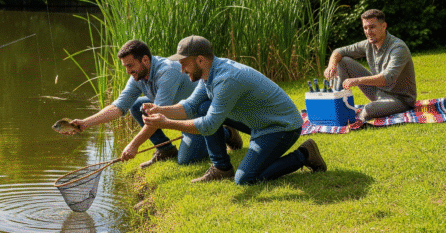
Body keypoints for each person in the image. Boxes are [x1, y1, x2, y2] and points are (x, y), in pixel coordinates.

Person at [143, 35, 327, 185]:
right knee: (202, 107)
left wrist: (166, 123)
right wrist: (160, 109)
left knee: (246, 179)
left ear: (200, 60)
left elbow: (208, 126)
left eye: (184, 64)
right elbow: (190, 106)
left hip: (280, 127)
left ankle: (305, 154)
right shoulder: (208, 73)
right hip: (258, 121)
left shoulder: (227, 79)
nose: (181, 70)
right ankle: (221, 168)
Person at [64, 39, 242, 169]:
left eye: (130, 65)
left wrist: (133, 145)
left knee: (187, 161)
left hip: (197, 112)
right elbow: (118, 107)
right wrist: (85, 123)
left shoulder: (167, 72)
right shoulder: (137, 76)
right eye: (125, 67)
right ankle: (165, 151)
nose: (128, 71)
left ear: (145, 61)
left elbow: (156, 119)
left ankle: (226, 132)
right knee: (138, 105)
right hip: (176, 111)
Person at [323, 9, 416, 122]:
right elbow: (340, 51)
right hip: (378, 92)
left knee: (368, 109)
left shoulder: (398, 48)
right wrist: (331, 65)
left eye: (372, 27)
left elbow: (387, 78)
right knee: (343, 61)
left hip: (400, 99)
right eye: (365, 28)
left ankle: (355, 122)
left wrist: (357, 81)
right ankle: (337, 105)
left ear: (384, 26)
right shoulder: (368, 44)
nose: (368, 32)